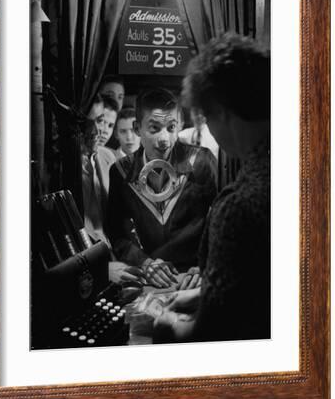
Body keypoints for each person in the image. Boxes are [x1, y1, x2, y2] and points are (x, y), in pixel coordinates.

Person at [154, 32, 271, 342]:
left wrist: (165, 324)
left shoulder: (239, 205)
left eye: (205, 117)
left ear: (222, 112)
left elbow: (212, 332)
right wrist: (205, 293)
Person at [107, 88, 217, 288]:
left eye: (171, 127)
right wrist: (144, 262)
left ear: (180, 125)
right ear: (137, 128)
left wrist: (206, 264)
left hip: (195, 277)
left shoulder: (201, 161)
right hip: (150, 277)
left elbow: (218, 221)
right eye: (154, 128)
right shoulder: (121, 172)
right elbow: (117, 233)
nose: (164, 139)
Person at [81, 94, 115, 244]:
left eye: (100, 120)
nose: (96, 131)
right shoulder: (61, 168)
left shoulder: (108, 156)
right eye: (87, 123)